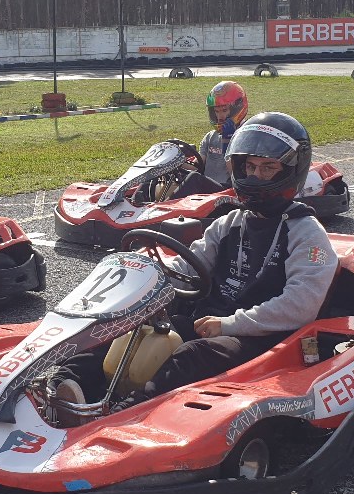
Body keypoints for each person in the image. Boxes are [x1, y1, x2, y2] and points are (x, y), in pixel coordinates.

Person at [52, 112, 338, 416]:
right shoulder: (229, 223)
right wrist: (142, 294)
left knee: (192, 354)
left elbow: (302, 304)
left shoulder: (305, 232)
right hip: (209, 323)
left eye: (268, 168)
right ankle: (65, 386)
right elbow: (187, 268)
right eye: (250, 167)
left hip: (260, 337)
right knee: (125, 328)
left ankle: (125, 412)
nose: (255, 177)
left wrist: (229, 323)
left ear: (291, 171)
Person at [164, 81, 249, 199]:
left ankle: (162, 209)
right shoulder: (210, 137)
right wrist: (171, 163)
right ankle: (137, 203)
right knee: (162, 175)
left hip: (228, 192)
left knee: (194, 179)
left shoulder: (246, 137)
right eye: (217, 111)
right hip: (207, 190)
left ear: (237, 108)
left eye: (224, 110)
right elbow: (197, 166)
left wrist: (227, 142)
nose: (220, 117)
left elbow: (237, 176)